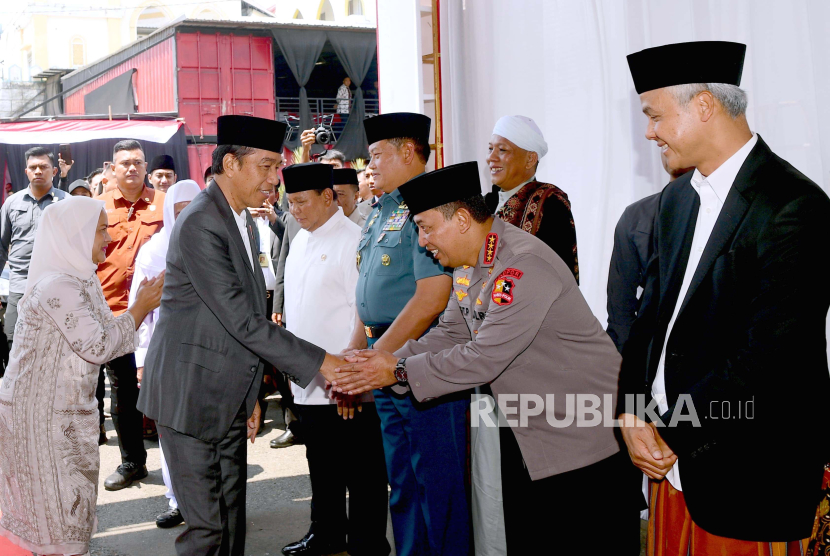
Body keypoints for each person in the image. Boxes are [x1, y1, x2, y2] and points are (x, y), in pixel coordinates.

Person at [333, 162, 642, 554]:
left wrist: (394, 368)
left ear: (462, 220)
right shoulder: (472, 266)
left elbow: (483, 357)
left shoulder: (521, 265)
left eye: (426, 227)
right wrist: (378, 363)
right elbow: (451, 333)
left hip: (583, 442)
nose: (423, 241)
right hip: (531, 434)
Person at [618, 41, 830, 553]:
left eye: (655, 115)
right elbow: (648, 321)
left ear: (705, 106)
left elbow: (765, 358)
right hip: (669, 466)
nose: (649, 131)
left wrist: (670, 430)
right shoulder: (675, 200)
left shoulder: (794, 206)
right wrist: (629, 411)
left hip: (745, 472)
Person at [136, 115, 349, 556]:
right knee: (207, 530)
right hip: (191, 396)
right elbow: (243, 320)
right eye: (268, 167)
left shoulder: (242, 220)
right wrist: (325, 363)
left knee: (232, 521)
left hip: (227, 392)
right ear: (230, 164)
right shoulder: (200, 222)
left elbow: (249, 311)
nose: (276, 179)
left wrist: (251, 394)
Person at [0, 196, 164, 556]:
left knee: (68, 502)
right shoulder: (59, 285)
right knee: (53, 505)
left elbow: (111, 336)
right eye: (101, 229)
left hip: (66, 412)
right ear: (75, 235)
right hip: (39, 416)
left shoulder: (82, 279)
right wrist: (140, 307)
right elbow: (99, 345)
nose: (109, 237)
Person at [346, 112, 470, 556]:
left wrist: (377, 356)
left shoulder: (431, 205)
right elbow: (368, 292)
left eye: (377, 154)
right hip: (386, 359)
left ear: (406, 151)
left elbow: (433, 296)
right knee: (401, 480)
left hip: (420, 359)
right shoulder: (381, 209)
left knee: (437, 481)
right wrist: (358, 350)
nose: (370, 164)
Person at [279, 162, 390, 556]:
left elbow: (363, 314)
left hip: (345, 383)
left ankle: (367, 544)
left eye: (302, 202)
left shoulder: (355, 241)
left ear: (328, 197)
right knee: (321, 466)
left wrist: (350, 380)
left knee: (362, 471)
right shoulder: (301, 240)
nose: (295, 211)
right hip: (309, 379)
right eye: (290, 203)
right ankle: (325, 533)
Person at [128, 179, 201, 530]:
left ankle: (209, 500)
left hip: (209, 356)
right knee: (170, 432)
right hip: (166, 353)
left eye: (193, 208)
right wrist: (142, 359)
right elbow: (138, 309)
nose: (187, 217)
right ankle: (177, 500)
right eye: (179, 211)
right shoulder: (154, 251)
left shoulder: (218, 243)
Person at [97, 139, 165, 491]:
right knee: (123, 391)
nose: (131, 168)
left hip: (161, 317)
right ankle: (133, 461)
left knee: (169, 386)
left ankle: (181, 464)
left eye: (137, 162)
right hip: (115, 315)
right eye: (124, 163)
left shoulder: (165, 204)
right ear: (112, 168)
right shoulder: (96, 208)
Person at [606, 154, 692, 353]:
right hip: (650, 345)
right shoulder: (636, 215)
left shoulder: (722, 208)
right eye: (663, 145)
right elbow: (620, 305)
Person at [485, 115, 579, 282]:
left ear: (530, 159)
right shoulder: (484, 205)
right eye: (490, 149)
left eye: (502, 150)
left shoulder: (550, 203)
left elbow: (559, 275)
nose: (491, 158)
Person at [0, 146, 67, 354]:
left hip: (55, 288)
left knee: (52, 349)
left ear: (54, 171)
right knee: (14, 344)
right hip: (20, 287)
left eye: (44, 167)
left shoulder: (67, 202)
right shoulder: (12, 203)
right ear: (26, 171)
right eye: (33, 167)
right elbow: (1, 246)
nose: (38, 171)